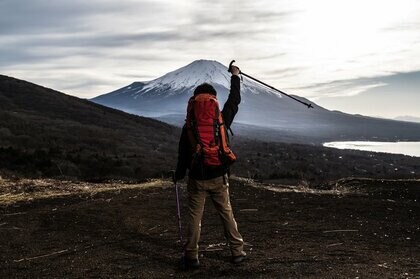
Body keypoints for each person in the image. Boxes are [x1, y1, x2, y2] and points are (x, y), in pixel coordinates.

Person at [174, 65, 246, 269]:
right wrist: (235, 76)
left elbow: (183, 155)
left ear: (194, 103)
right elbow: (235, 100)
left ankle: (191, 256)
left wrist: (179, 175)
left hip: (197, 178)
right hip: (219, 176)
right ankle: (237, 252)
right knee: (226, 213)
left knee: (194, 217)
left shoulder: (188, 127)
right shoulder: (221, 120)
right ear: (213, 101)